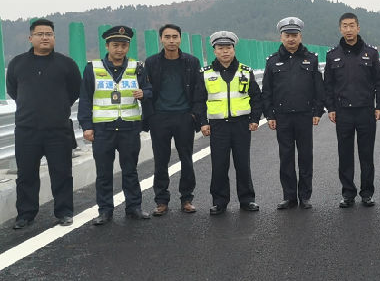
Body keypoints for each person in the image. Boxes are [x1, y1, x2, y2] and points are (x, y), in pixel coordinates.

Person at [7, 19, 81, 229]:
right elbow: (13, 90)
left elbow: (75, 90)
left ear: (54, 37)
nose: (45, 37)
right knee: (26, 174)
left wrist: (57, 108)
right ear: (30, 38)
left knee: (62, 173)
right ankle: (26, 214)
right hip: (27, 130)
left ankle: (64, 212)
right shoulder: (17, 63)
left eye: (49, 34)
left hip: (58, 130)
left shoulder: (66, 64)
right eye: (40, 34)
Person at [78, 25, 153, 225]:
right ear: (107, 46)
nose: (120, 49)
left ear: (128, 47)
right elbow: (85, 98)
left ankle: (134, 207)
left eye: (124, 45)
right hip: (103, 129)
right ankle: (105, 211)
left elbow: (149, 89)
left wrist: (144, 94)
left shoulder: (137, 67)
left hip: (129, 127)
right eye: (115, 45)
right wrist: (86, 126)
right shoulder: (93, 68)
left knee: (130, 170)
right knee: (103, 173)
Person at [262, 18, 325, 210]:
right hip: (282, 117)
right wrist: (270, 115)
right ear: (281, 37)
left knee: (306, 156)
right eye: (287, 35)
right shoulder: (272, 61)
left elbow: (318, 87)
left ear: (300, 37)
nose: (291, 39)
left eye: (294, 35)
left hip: (304, 115)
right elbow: (267, 90)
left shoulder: (311, 59)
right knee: (286, 157)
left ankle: (305, 196)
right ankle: (289, 196)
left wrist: (317, 111)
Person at [197, 31, 262, 215]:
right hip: (218, 126)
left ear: (234, 49)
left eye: (228, 48)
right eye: (220, 48)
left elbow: (256, 98)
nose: (225, 51)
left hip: (241, 124)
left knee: (243, 164)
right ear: (214, 51)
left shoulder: (245, 71)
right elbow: (198, 101)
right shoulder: (205, 73)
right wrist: (203, 122)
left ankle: (247, 199)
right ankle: (219, 202)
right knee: (219, 165)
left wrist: (255, 119)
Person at [324, 13, 380, 208]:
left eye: (352, 25)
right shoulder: (332, 55)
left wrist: (379, 105)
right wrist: (330, 108)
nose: (349, 29)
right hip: (343, 112)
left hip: (366, 111)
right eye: (345, 26)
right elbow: (328, 85)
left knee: (366, 154)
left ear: (358, 28)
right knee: (345, 155)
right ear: (340, 29)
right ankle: (348, 193)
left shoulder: (371, 53)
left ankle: (367, 193)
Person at [144, 24, 204, 216]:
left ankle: (187, 199)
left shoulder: (191, 62)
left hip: (184, 116)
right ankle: (161, 201)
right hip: (160, 117)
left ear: (180, 38)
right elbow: (147, 89)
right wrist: (151, 117)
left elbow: (198, 89)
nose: (171, 40)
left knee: (186, 159)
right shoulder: (151, 62)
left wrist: (194, 114)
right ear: (161, 39)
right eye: (167, 37)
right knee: (160, 160)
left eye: (175, 37)